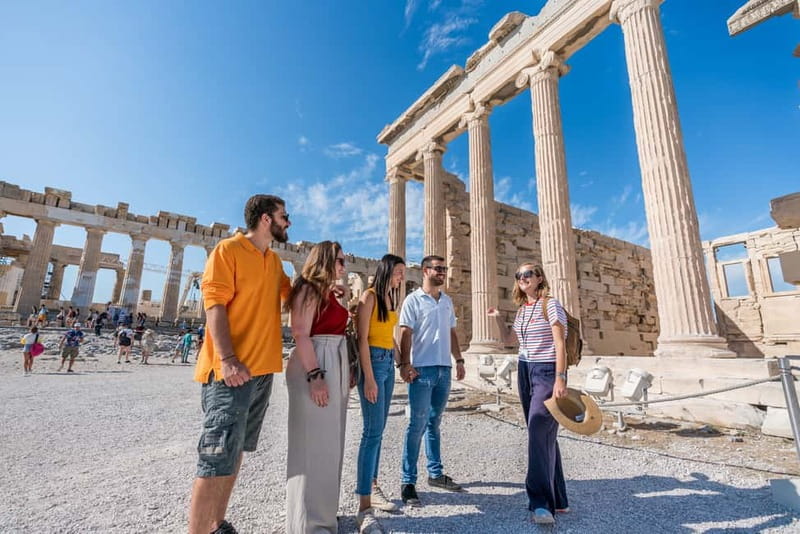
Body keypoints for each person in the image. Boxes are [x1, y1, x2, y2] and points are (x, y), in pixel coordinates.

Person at [188, 194, 291, 534]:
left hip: (260, 372)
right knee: (215, 458)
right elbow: (214, 305)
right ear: (266, 219)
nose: (287, 222)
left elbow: (292, 297)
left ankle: (217, 524)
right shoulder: (228, 251)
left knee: (235, 454)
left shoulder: (273, 262)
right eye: (283, 216)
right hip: (230, 372)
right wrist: (228, 359)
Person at [488, 262, 569, 524]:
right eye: (518, 275)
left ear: (539, 278)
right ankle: (559, 498)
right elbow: (510, 341)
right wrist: (499, 318)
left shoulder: (551, 304)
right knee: (543, 434)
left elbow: (560, 342)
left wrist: (560, 378)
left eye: (527, 274)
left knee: (537, 430)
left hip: (546, 371)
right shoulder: (523, 310)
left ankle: (541, 504)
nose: (522, 278)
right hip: (524, 370)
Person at [285, 241, 350, 534]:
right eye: (339, 261)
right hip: (317, 363)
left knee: (329, 443)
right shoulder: (308, 289)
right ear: (324, 260)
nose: (343, 267)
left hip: (332, 360)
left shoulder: (325, 292)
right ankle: (307, 525)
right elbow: (300, 333)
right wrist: (316, 375)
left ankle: (324, 517)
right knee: (312, 444)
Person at [397, 255, 466, 507]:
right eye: (438, 269)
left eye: (444, 269)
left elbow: (451, 332)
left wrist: (458, 359)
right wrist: (405, 364)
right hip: (421, 370)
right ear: (425, 271)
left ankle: (435, 474)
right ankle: (408, 481)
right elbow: (405, 333)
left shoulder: (446, 301)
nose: (443, 273)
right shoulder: (413, 300)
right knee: (416, 424)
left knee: (434, 423)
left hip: (443, 369)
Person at [353, 254, 406, 531]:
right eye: (398, 272)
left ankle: (372, 486)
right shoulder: (369, 297)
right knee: (371, 432)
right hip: (372, 363)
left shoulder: (390, 298)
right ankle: (364, 504)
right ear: (387, 270)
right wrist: (369, 379)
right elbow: (362, 339)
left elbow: (389, 337)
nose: (401, 277)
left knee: (379, 430)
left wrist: (403, 363)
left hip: (387, 361)